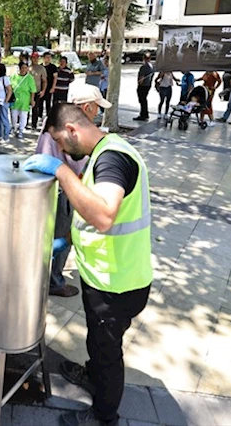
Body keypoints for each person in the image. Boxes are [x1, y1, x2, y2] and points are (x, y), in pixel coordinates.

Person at [23, 102, 152, 426]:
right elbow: (92, 212)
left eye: (62, 143)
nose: (63, 150)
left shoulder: (112, 158)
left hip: (118, 283)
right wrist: (68, 237)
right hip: (103, 276)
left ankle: (103, 417)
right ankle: (92, 374)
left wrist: (61, 171)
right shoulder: (103, 152)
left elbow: (105, 215)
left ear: (72, 130)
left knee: (108, 353)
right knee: (97, 341)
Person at [35, 84, 112, 298]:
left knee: (58, 236)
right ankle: (54, 281)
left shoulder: (61, 123)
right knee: (59, 234)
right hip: (62, 192)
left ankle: (50, 277)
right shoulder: (62, 132)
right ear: (86, 107)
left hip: (62, 189)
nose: (97, 112)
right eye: (96, 107)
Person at [10, 62, 37, 138]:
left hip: (25, 100)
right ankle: (14, 127)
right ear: (19, 68)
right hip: (15, 99)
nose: (24, 69)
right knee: (14, 115)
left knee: (23, 115)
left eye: (26, 68)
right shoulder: (13, 76)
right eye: (22, 68)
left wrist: (32, 100)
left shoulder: (30, 78)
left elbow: (33, 91)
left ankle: (21, 130)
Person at [0, 63, 12, 143]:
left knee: (4, 118)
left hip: (2, 101)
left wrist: (6, 100)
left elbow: (10, 90)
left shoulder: (5, 79)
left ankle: (6, 136)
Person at [29, 52, 48, 130]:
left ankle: (34, 124)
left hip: (37, 90)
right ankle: (25, 123)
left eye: (36, 58)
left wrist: (43, 90)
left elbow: (44, 81)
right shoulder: (28, 67)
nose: (35, 59)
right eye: (33, 57)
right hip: (28, 91)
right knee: (26, 108)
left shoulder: (41, 68)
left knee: (35, 108)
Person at [134, 53, 155, 121]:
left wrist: (139, 83)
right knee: (144, 100)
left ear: (144, 58)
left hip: (143, 85)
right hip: (148, 85)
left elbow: (142, 77)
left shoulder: (144, 66)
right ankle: (145, 114)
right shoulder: (151, 66)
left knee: (142, 100)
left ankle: (143, 114)